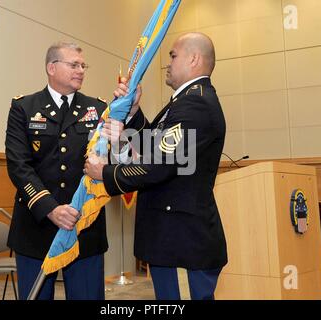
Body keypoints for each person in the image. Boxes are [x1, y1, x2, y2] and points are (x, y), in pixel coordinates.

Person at [84, 32, 228, 300]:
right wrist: (135, 112)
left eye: (173, 56)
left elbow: (160, 166)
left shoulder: (195, 103)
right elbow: (157, 147)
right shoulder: (186, 101)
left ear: (194, 58)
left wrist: (104, 173)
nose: (168, 63)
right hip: (173, 238)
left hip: (182, 242)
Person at [5, 42, 108, 300]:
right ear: (52, 68)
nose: (81, 70)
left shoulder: (97, 109)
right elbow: (19, 165)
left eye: (83, 65)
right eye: (74, 64)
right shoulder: (24, 108)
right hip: (36, 225)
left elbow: (115, 157)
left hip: (84, 224)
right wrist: (50, 208)